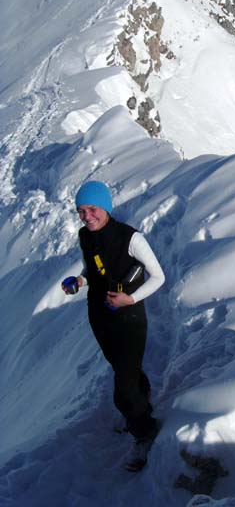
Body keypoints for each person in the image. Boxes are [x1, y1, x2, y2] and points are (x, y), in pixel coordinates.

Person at [62, 181, 165, 471]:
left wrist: (129, 299)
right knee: (121, 367)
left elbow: (159, 277)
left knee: (123, 384)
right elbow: (91, 267)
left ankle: (144, 431)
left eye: (92, 209)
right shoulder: (86, 236)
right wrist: (80, 281)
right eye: (81, 211)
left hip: (128, 316)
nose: (86, 216)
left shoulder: (131, 238)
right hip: (99, 311)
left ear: (105, 207)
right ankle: (140, 403)